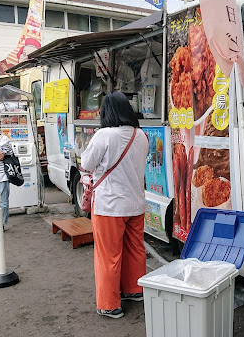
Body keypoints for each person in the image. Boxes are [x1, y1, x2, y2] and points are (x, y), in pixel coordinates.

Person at [81, 91, 149, 319]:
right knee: (135, 249)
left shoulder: (104, 135)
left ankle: (110, 304)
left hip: (110, 206)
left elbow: (86, 163)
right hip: (136, 203)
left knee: (108, 256)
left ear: (107, 112)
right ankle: (134, 289)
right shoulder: (141, 135)